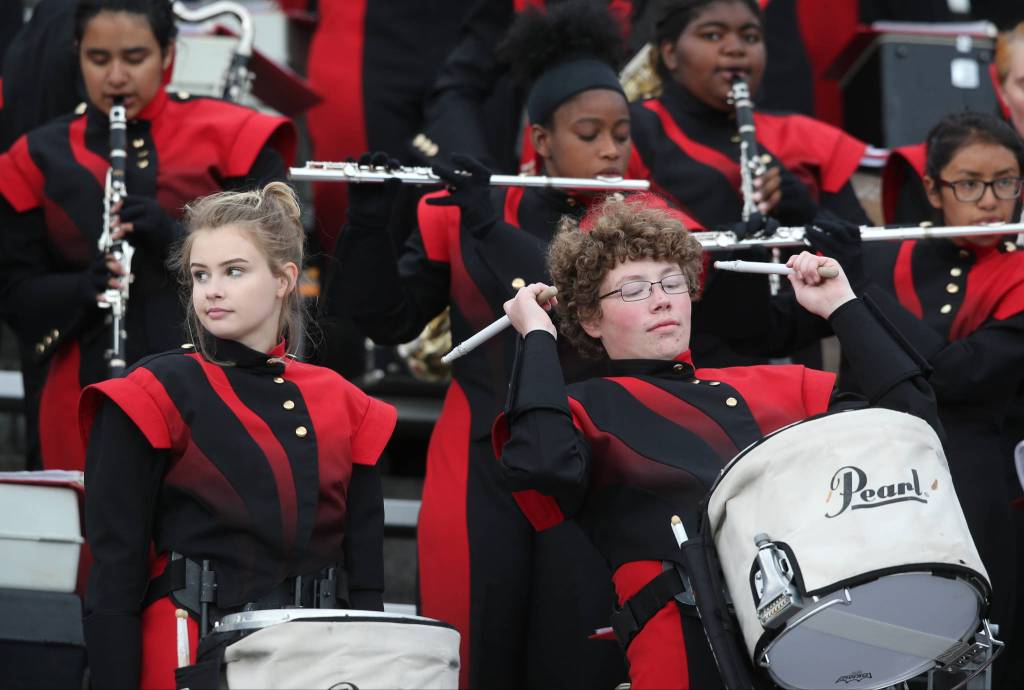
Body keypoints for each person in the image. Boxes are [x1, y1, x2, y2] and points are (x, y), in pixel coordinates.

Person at [493, 195, 940, 690]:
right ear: (592, 319)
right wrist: (536, 335)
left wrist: (843, 305)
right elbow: (541, 464)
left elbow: (911, 422)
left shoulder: (777, 387)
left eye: (671, 282)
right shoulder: (583, 408)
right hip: (681, 655)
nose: (661, 299)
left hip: (811, 646)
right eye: (633, 290)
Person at [330, 4, 641, 687]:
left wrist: (487, 226)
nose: (611, 150)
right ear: (540, 139)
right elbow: (385, 319)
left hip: (588, 466)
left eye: (622, 133)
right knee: (473, 654)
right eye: (590, 133)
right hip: (476, 466)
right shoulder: (461, 210)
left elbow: (578, 302)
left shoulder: (640, 226)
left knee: (576, 659)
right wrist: (367, 220)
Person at [78, 181, 397, 690]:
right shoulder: (151, 392)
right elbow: (113, 575)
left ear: (283, 280)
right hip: (187, 655)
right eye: (201, 275)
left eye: (234, 271)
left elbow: (366, 584)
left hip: (318, 665)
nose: (212, 290)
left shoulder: (346, 403)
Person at [0, 0, 295, 472]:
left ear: (169, 54)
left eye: (134, 58)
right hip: (80, 387)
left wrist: (177, 238)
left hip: (215, 387)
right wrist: (85, 287)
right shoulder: (34, 156)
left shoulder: (234, 135)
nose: (116, 77)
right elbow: (14, 293)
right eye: (99, 59)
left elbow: (278, 265)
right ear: (77, 54)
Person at [843, 110, 1024, 685]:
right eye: (969, 184)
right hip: (878, 483)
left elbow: (956, 375)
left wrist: (857, 294)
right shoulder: (886, 256)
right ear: (932, 189)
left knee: (979, 655)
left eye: (1006, 182)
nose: (991, 200)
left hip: (979, 491)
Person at [881, 21, 1024, 224]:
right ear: (1001, 90)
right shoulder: (927, 164)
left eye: (1005, 181)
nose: (989, 201)